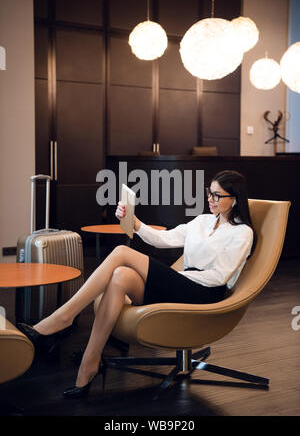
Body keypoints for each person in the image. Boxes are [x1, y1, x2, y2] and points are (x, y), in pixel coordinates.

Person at [17, 169, 256, 399]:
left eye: (217, 195)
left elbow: (219, 277)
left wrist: (177, 277)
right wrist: (135, 223)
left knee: (121, 252)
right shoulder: (203, 221)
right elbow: (164, 239)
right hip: (182, 283)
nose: (210, 199)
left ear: (234, 199)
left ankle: (63, 317)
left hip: (204, 292)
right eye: (209, 192)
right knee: (120, 275)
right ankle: (90, 362)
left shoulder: (242, 233)